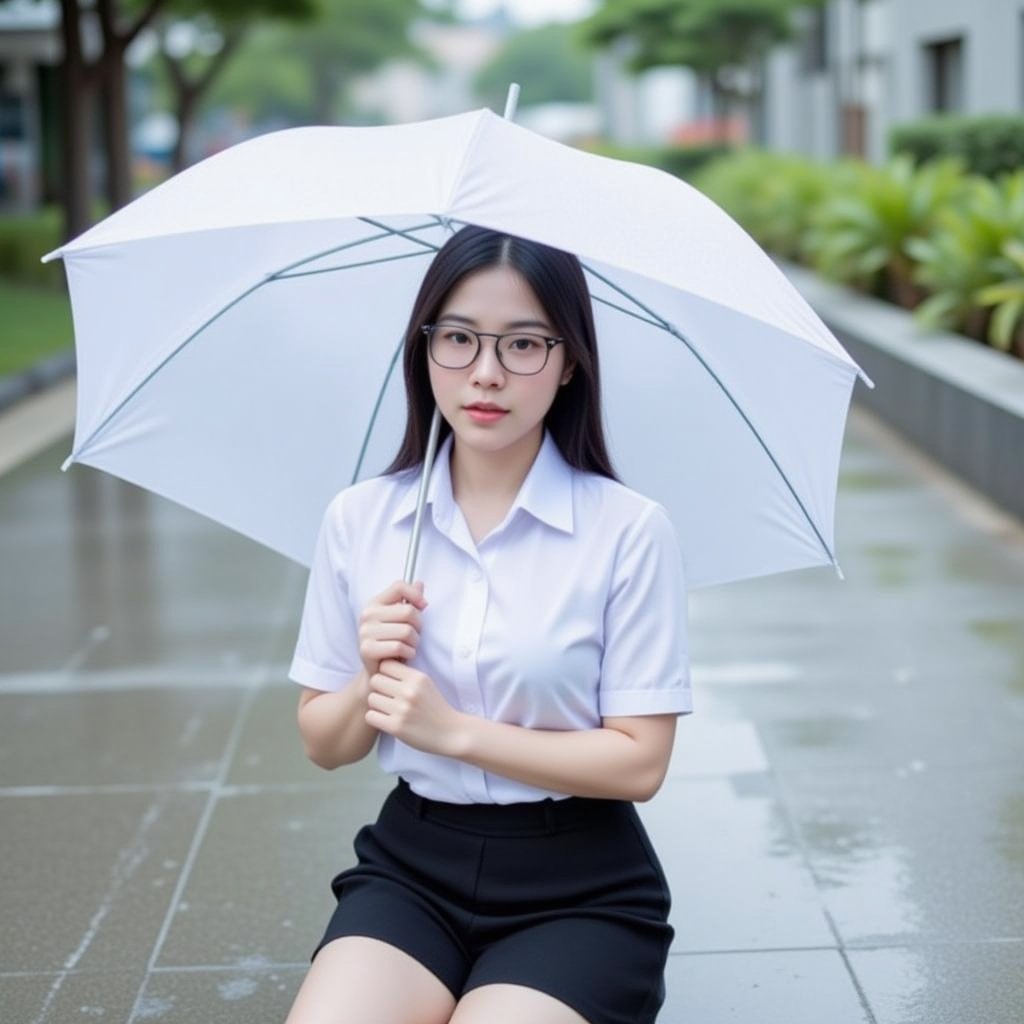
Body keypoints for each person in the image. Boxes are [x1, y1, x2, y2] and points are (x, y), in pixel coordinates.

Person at [284, 224, 692, 1024]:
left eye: (524, 344)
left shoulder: (629, 530)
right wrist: (370, 675)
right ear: (424, 347)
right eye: (459, 338)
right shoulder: (364, 519)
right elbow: (322, 744)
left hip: (580, 884)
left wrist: (451, 731)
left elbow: (640, 763)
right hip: (412, 866)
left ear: (570, 359)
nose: (486, 372)